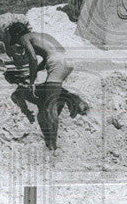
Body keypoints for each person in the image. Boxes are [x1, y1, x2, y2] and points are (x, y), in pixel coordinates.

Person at [5, 21, 75, 150]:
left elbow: (32, 58)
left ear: (16, 35)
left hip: (56, 63)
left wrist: (32, 81)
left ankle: (52, 145)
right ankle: (73, 99)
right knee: (52, 90)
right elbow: (48, 56)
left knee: (49, 107)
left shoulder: (24, 38)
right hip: (67, 60)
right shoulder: (39, 35)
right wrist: (36, 70)